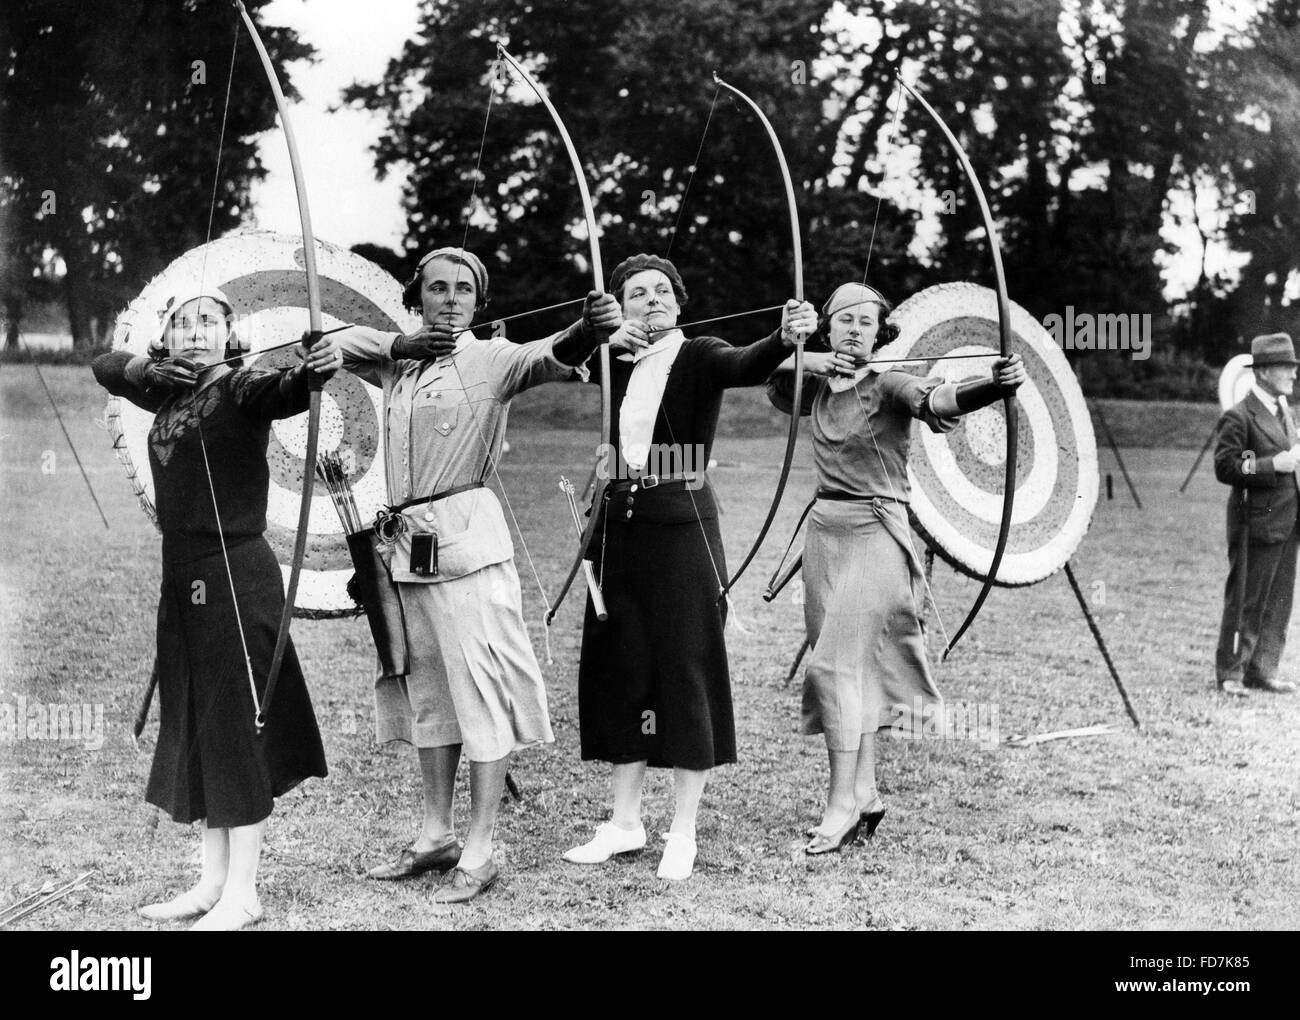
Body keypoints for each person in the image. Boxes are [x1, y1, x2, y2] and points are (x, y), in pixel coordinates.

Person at [334, 247, 621, 902]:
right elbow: (322, 345)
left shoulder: (491, 358)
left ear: (479, 302)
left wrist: (589, 325)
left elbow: (552, 353)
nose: (451, 297)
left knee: (481, 698)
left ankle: (482, 846)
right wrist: (404, 342)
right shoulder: (393, 357)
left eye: (465, 289)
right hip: (409, 545)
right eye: (438, 287)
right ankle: (435, 836)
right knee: (432, 696)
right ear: (419, 296)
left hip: (467, 541)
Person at [562, 253, 817, 881]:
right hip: (616, 534)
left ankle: (683, 830)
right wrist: (592, 328)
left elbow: (744, 363)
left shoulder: (699, 352)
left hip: (681, 534)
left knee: (685, 669)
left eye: (660, 291)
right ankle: (624, 824)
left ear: (678, 301)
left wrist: (784, 337)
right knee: (624, 670)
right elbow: (557, 359)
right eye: (635, 293)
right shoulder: (613, 363)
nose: (651, 300)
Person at [93, 288, 339, 930]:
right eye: (181, 324)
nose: (195, 332)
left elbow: (281, 390)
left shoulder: (239, 386)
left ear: (232, 334)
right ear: (165, 339)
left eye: (209, 321)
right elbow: (103, 365)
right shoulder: (169, 392)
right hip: (185, 573)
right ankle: (211, 882)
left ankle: (244, 893)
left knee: (235, 724)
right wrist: (144, 370)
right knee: (198, 719)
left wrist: (310, 371)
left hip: (233, 569)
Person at [767, 281, 1025, 853]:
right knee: (850, 669)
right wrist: (798, 343)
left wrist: (990, 386)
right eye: (844, 319)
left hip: (877, 535)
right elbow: (773, 377)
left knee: (835, 667)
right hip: (824, 538)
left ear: (881, 332)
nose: (855, 328)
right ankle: (865, 795)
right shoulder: (811, 385)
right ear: (826, 328)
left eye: (866, 321)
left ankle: (838, 807)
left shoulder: (890, 383)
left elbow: (936, 400)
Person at [1213, 332, 1300, 696]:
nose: (1293, 376)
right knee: (1247, 598)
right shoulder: (1239, 416)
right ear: (1263, 372)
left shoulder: (1286, 412)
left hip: (1288, 520)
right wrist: (1273, 464)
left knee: (1279, 601)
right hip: (1256, 521)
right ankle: (1232, 672)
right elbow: (1227, 467)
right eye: (1287, 368)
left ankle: (1262, 669)